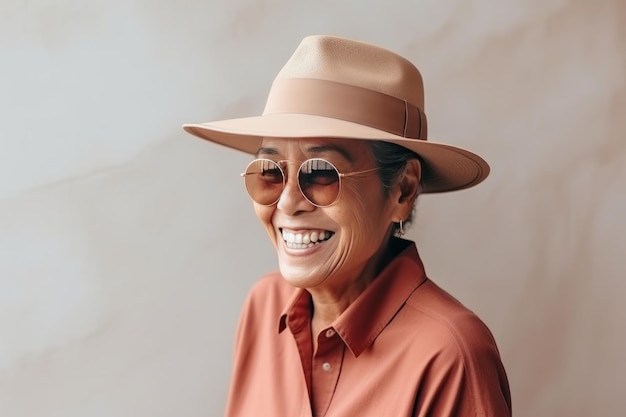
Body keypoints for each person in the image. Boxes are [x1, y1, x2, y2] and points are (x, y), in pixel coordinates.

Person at [183, 35, 511, 417]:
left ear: (402, 190)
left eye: (321, 172)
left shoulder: (449, 355)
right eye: (271, 171)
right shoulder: (263, 306)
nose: (287, 203)